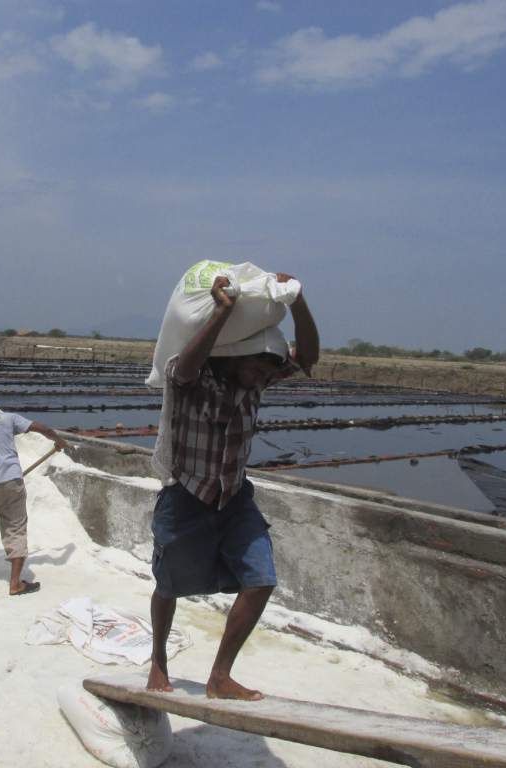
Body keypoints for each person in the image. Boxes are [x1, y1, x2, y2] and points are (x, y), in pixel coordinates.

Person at [147, 272, 319, 701]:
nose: (262, 376)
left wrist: (297, 301)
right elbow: (184, 367)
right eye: (257, 366)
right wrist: (222, 312)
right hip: (186, 495)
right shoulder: (191, 377)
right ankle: (158, 660)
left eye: (267, 371)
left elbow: (308, 357)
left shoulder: (257, 378)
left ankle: (220, 676)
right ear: (237, 354)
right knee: (168, 586)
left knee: (261, 579)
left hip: (235, 495)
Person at [0, 396, 67, 596]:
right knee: (15, 529)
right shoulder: (8, 418)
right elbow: (42, 428)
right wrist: (58, 440)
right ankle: (15, 584)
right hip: (12, 481)